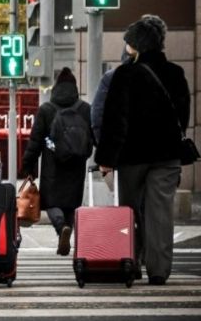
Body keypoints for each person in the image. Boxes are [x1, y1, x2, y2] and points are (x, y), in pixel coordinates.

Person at [96, 15, 190, 286]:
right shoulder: (175, 74)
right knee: (160, 212)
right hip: (166, 155)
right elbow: (182, 117)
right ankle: (159, 270)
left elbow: (115, 121)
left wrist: (106, 160)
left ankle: (132, 262)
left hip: (131, 157)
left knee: (130, 211)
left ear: (134, 45)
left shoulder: (124, 75)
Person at [21, 67, 92, 257]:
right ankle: (67, 229)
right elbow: (93, 136)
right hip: (77, 167)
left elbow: (35, 142)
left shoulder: (47, 109)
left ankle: (61, 229)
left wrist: (28, 167)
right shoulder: (85, 109)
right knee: (71, 203)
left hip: (53, 165)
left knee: (51, 202)